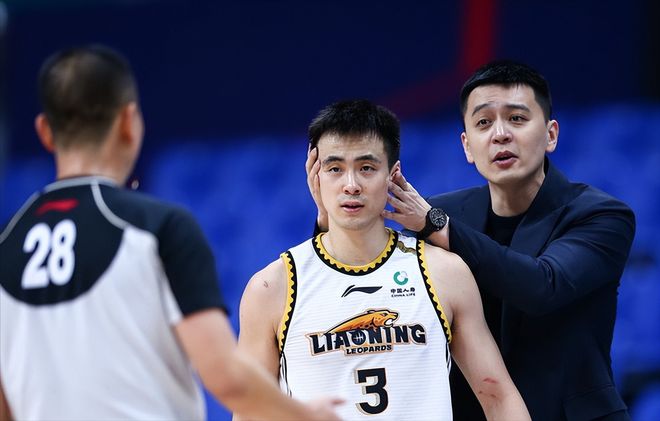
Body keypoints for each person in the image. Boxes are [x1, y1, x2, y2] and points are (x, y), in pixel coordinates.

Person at [0, 45, 342, 421]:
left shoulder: (7, 243)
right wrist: (305, 415)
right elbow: (225, 376)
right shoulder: (158, 228)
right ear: (129, 121)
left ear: (45, 131)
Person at [356, 61, 634, 420]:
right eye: (484, 123)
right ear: (467, 146)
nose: (500, 134)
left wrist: (438, 227)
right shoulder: (445, 213)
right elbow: (366, 285)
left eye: (516, 119)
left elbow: (542, 286)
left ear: (550, 135)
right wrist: (328, 220)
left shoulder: (601, 215)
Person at [238, 99, 530, 420]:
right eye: (335, 169)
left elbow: (498, 396)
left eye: (366, 168)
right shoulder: (271, 288)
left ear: (392, 175)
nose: (351, 185)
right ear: (315, 177)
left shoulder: (445, 272)